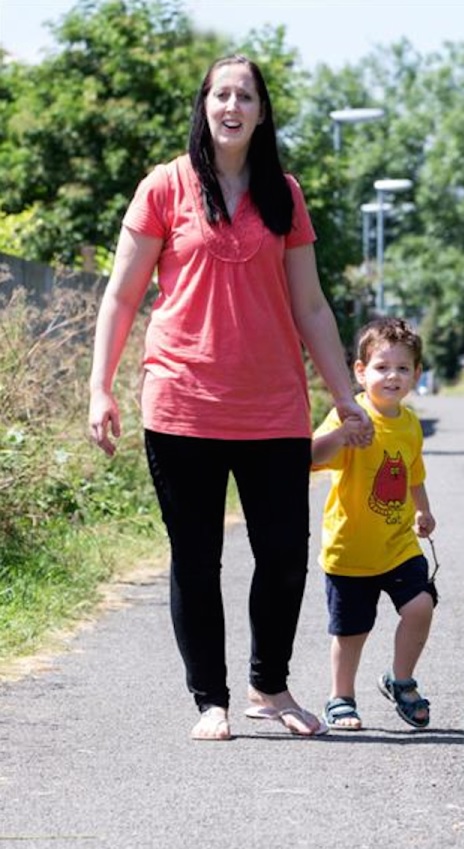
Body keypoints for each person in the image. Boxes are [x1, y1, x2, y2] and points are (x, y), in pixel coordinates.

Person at [88, 54, 372, 741]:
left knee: (282, 553)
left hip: (273, 406)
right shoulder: (165, 187)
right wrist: (100, 386)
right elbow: (123, 295)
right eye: (222, 94)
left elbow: (309, 304)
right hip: (183, 401)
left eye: (245, 95)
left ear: (261, 111)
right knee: (196, 556)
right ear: (205, 104)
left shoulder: (286, 194)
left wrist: (345, 393)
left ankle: (267, 686)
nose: (232, 105)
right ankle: (209, 698)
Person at [312, 317, 438, 731]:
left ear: (416, 375)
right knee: (352, 632)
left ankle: (401, 680)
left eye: (403, 369)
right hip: (350, 550)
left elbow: (412, 473)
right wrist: (344, 435)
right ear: (361, 372)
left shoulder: (410, 423)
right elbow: (312, 457)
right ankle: (341, 697)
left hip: (398, 543)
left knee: (420, 606)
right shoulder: (348, 415)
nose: (393, 377)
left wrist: (423, 509)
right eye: (382, 367)